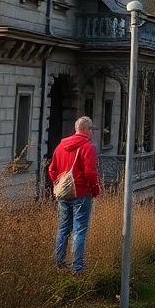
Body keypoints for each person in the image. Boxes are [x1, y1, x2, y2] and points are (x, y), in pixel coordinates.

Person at [47, 116, 101, 275]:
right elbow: (90, 172)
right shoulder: (87, 147)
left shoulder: (61, 146)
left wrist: (58, 184)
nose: (92, 132)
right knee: (80, 230)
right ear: (85, 129)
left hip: (64, 193)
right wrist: (95, 190)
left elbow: (51, 169)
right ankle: (77, 267)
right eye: (91, 129)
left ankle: (58, 262)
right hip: (82, 193)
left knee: (63, 228)